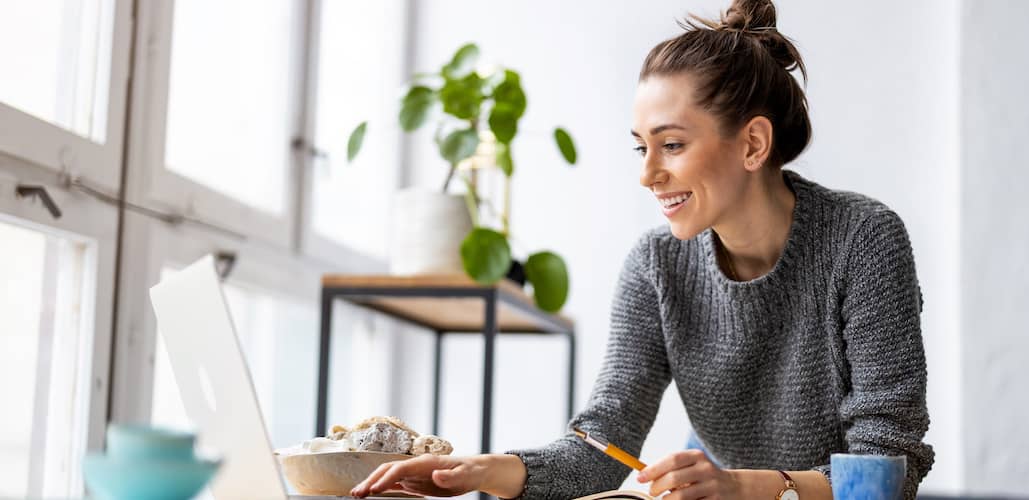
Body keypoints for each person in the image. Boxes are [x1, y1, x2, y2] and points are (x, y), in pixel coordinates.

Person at [351, 0, 934, 498]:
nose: (649, 175)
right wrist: (482, 471)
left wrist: (749, 486)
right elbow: (604, 440)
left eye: (672, 144)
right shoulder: (656, 265)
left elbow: (888, 471)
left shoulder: (864, 239)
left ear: (753, 143)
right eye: (641, 149)